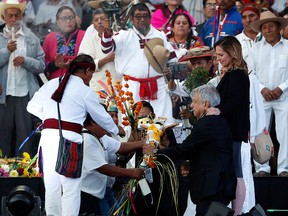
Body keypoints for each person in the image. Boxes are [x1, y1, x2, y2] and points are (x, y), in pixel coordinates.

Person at [27, 54, 119, 216]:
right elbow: (102, 118)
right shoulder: (84, 90)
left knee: (52, 188)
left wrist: (50, 118)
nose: (90, 78)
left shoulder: (51, 85)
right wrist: (116, 130)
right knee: (70, 189)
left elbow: (31, 107)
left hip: (47, 139)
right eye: (91, 74)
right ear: (87, 71)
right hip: (70, 141)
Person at [143, 84, 237, 216]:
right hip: (219, 187)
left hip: (213, 188)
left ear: (206, 104)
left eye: (194, 102)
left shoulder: (207, 123)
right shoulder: (218, 121)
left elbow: (184, 149)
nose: (191, 106)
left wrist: (155, 153)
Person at [101, 3, 177, 124]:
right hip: (131, 87)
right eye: (138, 16)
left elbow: (172, 59)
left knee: (163, 121)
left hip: (158, 87)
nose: (142, 19)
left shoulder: (160, 35)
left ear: (150, 17)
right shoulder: (123, 35)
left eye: (145, 16)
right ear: (131, 18)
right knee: (132, 123)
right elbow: (106, 50)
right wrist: (107, 34)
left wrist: (174, 82)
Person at [209, 36, 250, 216]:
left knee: (237, 173)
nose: (218, 59)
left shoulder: (237, 75)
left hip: (232, 131)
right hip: (231, 130)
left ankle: (237, 212)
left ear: (232, 53)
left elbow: (233, 102)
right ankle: (236, 211)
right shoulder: (234, 74)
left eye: (221, 55)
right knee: (235, 172)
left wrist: (218, 110)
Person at [0, 0, 46, 158]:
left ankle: (24, 173)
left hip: (25, 94)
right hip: (3, 96)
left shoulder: (30, 37)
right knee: (3, 137)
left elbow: (42, 65)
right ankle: (3, 173)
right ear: (3, 17)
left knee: (24, 137)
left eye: (16, 15)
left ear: (22, 16)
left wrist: (26, 61)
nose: (13, 19)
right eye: (9, 16)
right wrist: (6, 51)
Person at [80, 114, 145, 216]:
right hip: (90, 195)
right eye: (105, 118)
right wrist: (130, 172)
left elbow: (121, 147)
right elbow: (103, 168)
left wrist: (143, 143)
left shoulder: (99, 136)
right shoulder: (87, 139)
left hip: (104, 190)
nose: (109, 121)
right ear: (93, 121)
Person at [250, 10, 288, 177]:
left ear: (279, 27)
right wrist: (262, 89)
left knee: (284, 133)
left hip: (284, 97)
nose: (267, 30)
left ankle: (283, 169)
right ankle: (262, 168)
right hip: (261, 98)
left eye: (271, 26)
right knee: (259, 132)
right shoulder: (255, 48)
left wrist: (282, 88)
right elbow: (250, 72)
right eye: (264, 27)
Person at [78, 9, 122, 94]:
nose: (99, 22)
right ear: (93, 24)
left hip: (121, 86)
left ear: (109, 21)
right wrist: (106, 59)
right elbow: (84, 64)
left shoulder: (119, 36)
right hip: (99, 89)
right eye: (96, 20)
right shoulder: (89, 40)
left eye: (102, 19)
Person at [42, 6, 85, 80]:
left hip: (78, 81)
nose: (68, 21)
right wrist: (55, 65)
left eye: (71, 18)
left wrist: (71, 65)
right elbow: (43, 64)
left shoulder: (84, 35)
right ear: (58, 21)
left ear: (75, 19)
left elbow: (89, 60)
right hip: (56, 83)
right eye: (64, 18)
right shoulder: (50, 38)